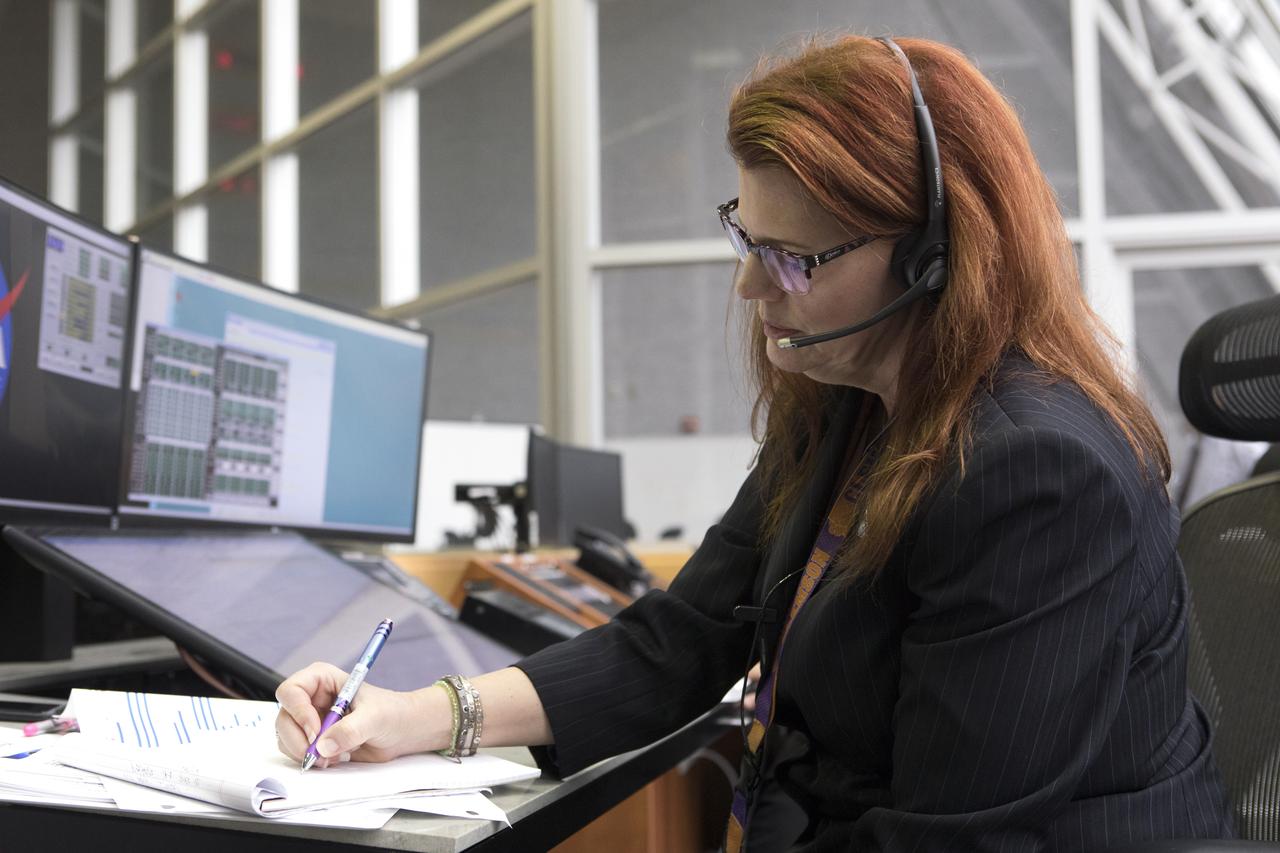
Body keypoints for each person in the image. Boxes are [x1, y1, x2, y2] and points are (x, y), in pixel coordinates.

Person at [275, 34, 1234, 851]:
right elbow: (679, 642)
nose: (750, 288)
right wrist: (417, 718)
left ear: (935, 254)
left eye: (794, 259)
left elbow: (949, 835)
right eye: (749, 238)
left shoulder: (1037, 471)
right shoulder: (846, 408)